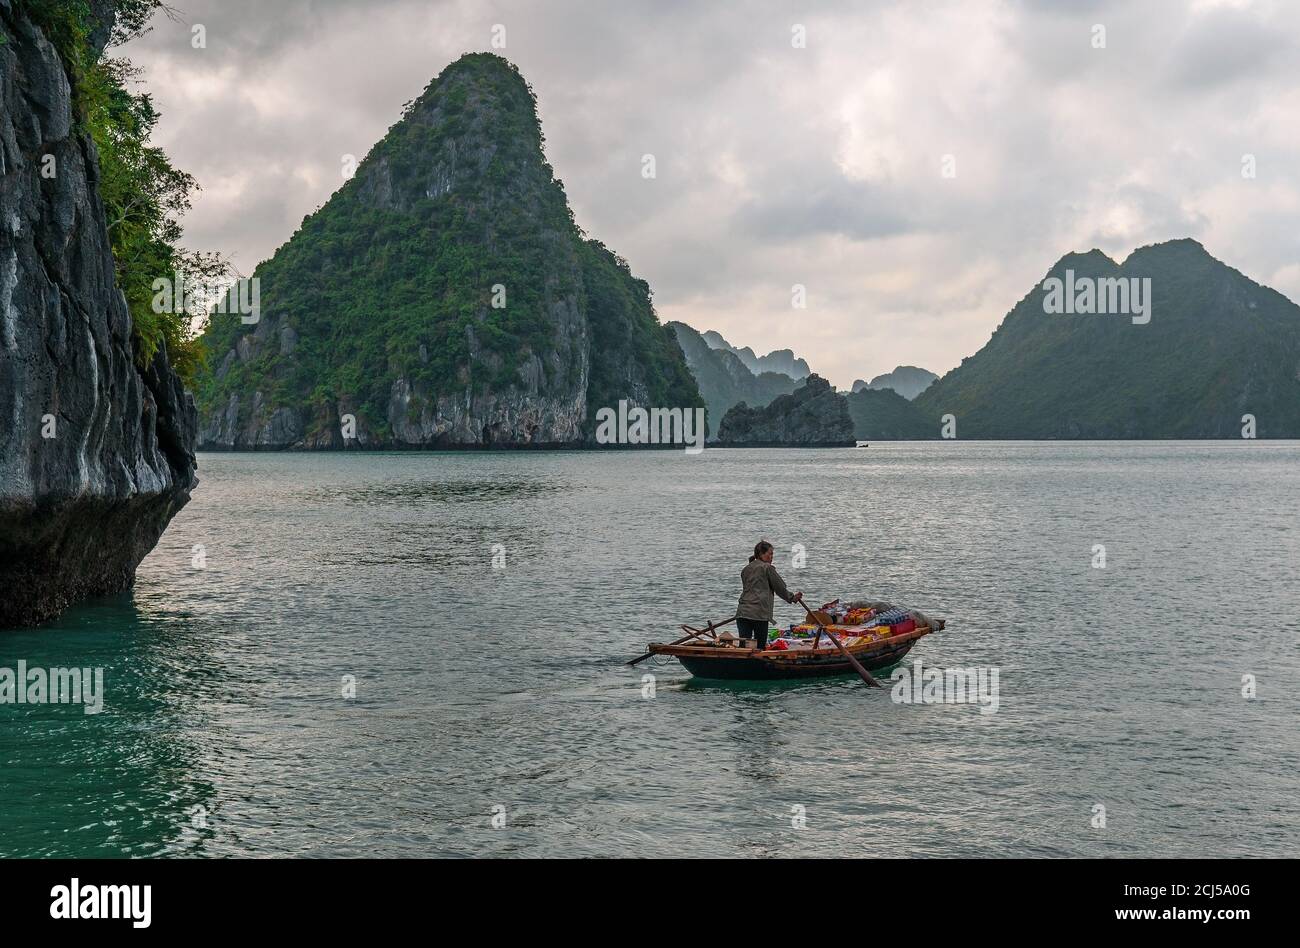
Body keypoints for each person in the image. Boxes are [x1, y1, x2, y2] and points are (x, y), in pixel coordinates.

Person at [735, 540, 802, 650]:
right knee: (760, 647)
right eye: (770, 554)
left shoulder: (746, 569)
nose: (772, 557)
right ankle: (757, 666)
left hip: (742, 613)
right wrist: (792, 598)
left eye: (772, 554)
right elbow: (779, 587)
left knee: (744, 646)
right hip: (759, 614)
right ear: (761, 554)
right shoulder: (767, 568)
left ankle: (744, 664)